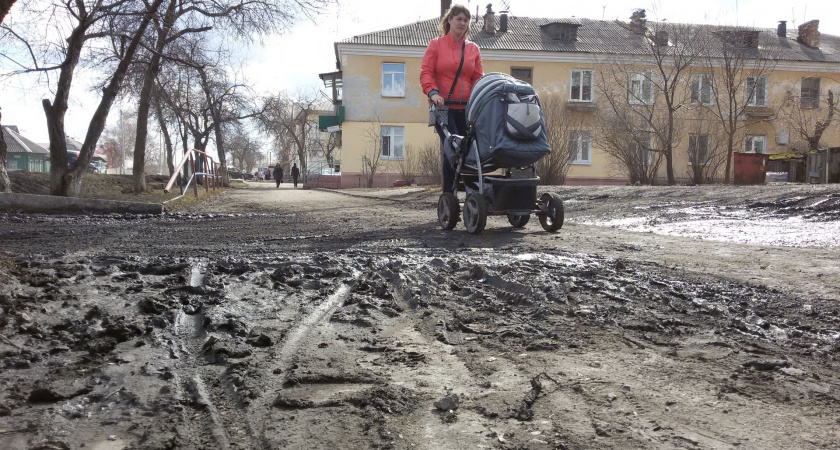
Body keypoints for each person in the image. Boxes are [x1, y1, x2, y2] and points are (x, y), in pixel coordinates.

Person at [420, 3, 483, 192]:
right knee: (453, 148)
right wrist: (433, 93)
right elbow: (426, 73)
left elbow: (478, 78)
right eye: (459, 19)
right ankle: (449, 194)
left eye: (466, 20)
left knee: (472, 150)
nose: (462, 23)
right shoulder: (436, 45)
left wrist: (479, 99)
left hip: (467, 109)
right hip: (443, 108)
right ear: (449, 20)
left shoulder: (473, 49)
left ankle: (474, 191)